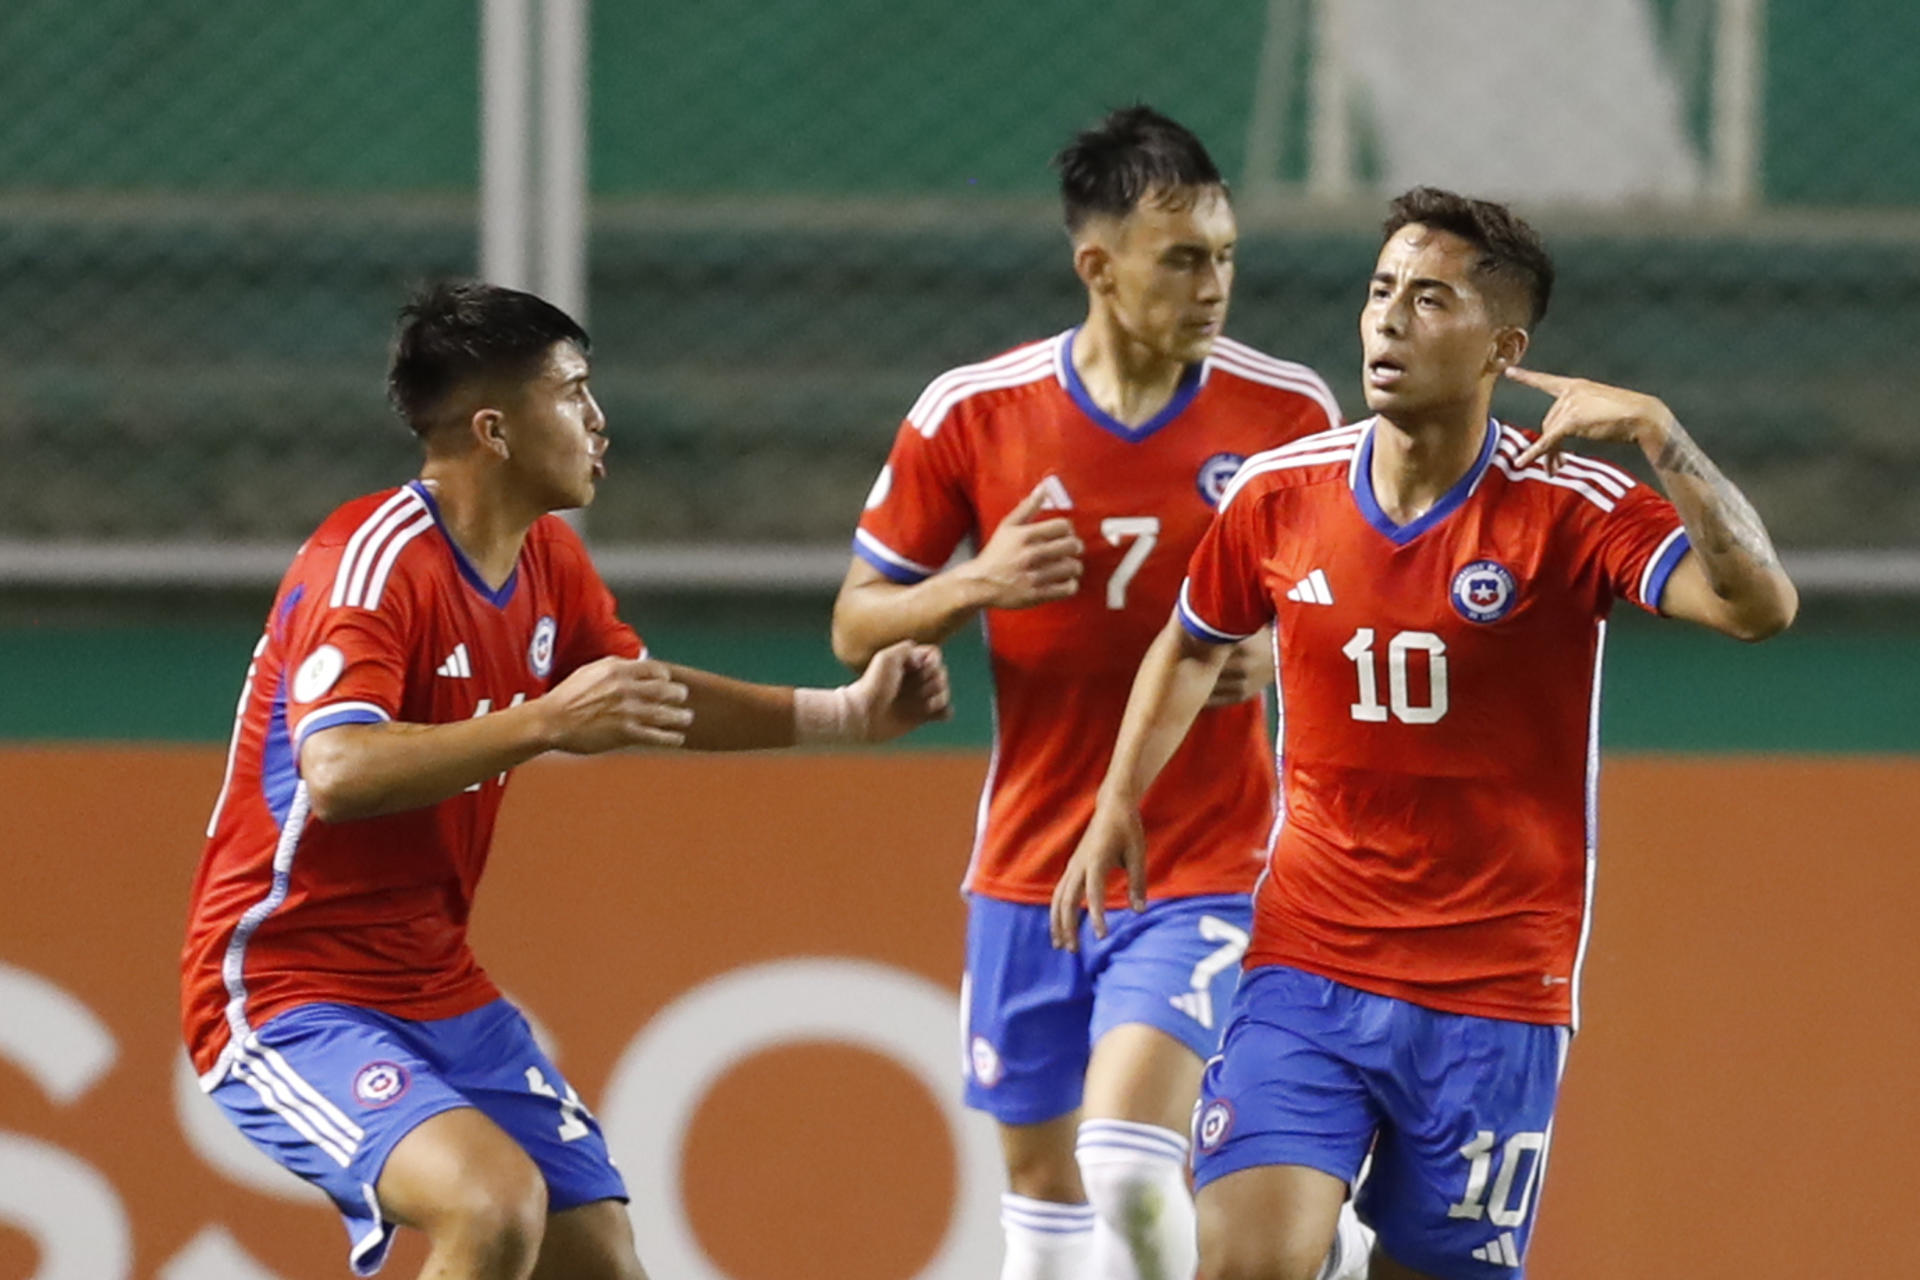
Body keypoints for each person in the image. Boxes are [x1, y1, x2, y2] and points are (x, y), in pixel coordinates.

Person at [1050, 186, 1798, 1280]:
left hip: (1495, 986)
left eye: (1429, 298)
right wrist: (1119, 795)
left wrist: (1661, 434)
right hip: (1310, 956)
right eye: (1380, 290)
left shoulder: (1572, 505)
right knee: (1249, 1260)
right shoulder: (1282, 491)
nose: (1389, 320)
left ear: (1504, 345)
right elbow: (1193, 638)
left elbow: (1759, 605)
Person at [179, 281, 951, 1280]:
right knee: (491, 1205)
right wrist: (543, 719)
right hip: (285, 984)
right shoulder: (368, 562)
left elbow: (639, 692)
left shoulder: (545, 558)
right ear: (494, 428)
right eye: (575, 392)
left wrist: (846, 713)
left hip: (433, 979)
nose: (599, 420)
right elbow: (337, 770)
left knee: (597, 1256)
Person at [832, 105, 1368, 1280]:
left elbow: (1356, 607)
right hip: (1029, 857)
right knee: (1044, 1197)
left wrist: (1276, 655)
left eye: (1225, 255)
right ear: (1099, 266)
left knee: (1126, 1159)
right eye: (1183, 259)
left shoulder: (1287, 417)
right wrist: (975, 581)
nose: (1214, 284)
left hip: (1205, 859)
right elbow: (856, 614)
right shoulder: (975, 412)